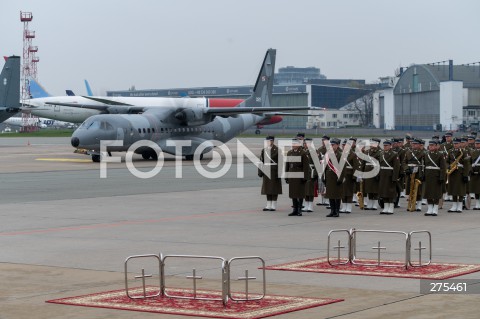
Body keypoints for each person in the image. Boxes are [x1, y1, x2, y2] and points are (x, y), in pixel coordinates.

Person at [285, 138, 310, 216]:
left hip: (299, 175)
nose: (293, 145)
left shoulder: (302, 153)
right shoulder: (289, 153)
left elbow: (306, 166)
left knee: (300, 193)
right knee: (293, 193)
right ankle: (295, 209)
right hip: (292, 174)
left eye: (295, 144)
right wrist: (286, 176)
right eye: (292, 144)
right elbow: (287, 165)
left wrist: (305, 177)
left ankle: (299, 209)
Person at [258, 136, 282, 211]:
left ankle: (273, 204)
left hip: (274, 171)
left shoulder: (277, 150)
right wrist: (260, 171)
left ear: (273, 141)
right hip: (266, 171)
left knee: (274, 188)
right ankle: (268, 204)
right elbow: (261, 161)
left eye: (270, 141)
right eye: (267, 141)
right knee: (267, 188)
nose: (269, 142)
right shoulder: (264, 150)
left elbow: (281, 162)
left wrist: (279, 173)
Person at [447, 138, 471, 213]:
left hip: (460, 172)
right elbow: (447, 161)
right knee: (453, 189)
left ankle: (460, 205)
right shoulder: (450, 151)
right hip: (452, 172)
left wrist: (465, 175)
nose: (455, 145)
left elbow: (467, 165)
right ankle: (454, 205)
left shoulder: (464, 152)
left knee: (460, 190)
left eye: (457, 144)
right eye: (454, 143)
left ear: (460, 144)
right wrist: (448, 166)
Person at [423, 140, 446, 216]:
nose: (431, 147)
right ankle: (429, 208)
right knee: (428, 192)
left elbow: (443, 167)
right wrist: (422, 175)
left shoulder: (440, 154)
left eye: (433, 145)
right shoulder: (426, 154)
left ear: (436, 146)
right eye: (430, 145)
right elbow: (423, 165)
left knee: (436, 193)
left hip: (436, 176)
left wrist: (442, 177)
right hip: (428, 175)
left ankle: (435, 208)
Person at [378, 140, 400, 214]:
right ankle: (385, 207)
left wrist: (395, 177)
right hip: (383, 174)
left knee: (390, 192)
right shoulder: (381, 153)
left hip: (390, 175)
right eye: (384, 145)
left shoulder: (394, 154)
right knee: (383, 192)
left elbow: (396, 167)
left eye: (386, 145)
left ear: (390, 146)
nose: (385, 147)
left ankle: (391, 207)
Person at [324, 138, 344, 217]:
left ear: (337, 145)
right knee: (330, 195)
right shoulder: (327, 154)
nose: (332, 146)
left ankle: (337, 211)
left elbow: (343, 168)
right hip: (329, 177)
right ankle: (332, 211)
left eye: (333, 145)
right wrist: (323, 177)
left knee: (337, 195)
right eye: (331, 145)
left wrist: (340, 178)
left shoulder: (340, 154)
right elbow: (324, 166)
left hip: (336, 177)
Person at [362, 138, 382, 210]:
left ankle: (375, 203)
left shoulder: (380, 152)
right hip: (367, 172)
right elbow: (363, 163)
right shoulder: (367, 152)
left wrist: (378, 173)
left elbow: (380, 164)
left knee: (375, 188)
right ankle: (370, 202)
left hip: (375, 171)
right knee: (368, 188)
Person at [302, 138, 317, 212]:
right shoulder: (302, 151)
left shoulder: (313, 152)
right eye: (304, 143)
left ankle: (310, 205)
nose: (305, 145)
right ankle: (306, 204)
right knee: (305, 189)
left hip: (311, 171)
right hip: (304, 171)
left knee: (310, 189)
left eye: (306, 143)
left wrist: (315, 174)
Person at [471, 138, 480, 209]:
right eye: (476, 144)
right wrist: (471, 170)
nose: (477, 145)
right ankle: (477, 204)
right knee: (476, 189)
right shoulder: (472, 152)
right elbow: (469, 162)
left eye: (478, 144)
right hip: (474, 172)